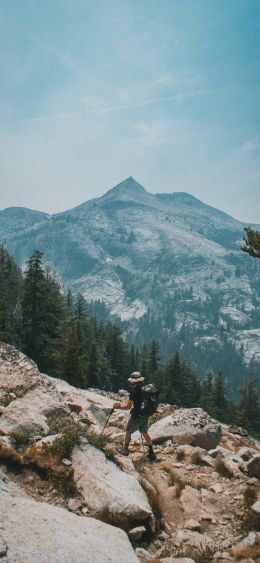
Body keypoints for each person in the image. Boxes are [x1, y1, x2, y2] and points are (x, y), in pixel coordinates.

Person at [113, 371, 156, 460]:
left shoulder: (134, 391)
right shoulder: (146, 389)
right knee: (144, 432)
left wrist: (118, 406)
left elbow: (128, 407)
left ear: (133, 381)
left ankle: (125, 449)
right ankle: (151, 452)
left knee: (128, 431)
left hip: (137, 415)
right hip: (146, 414)